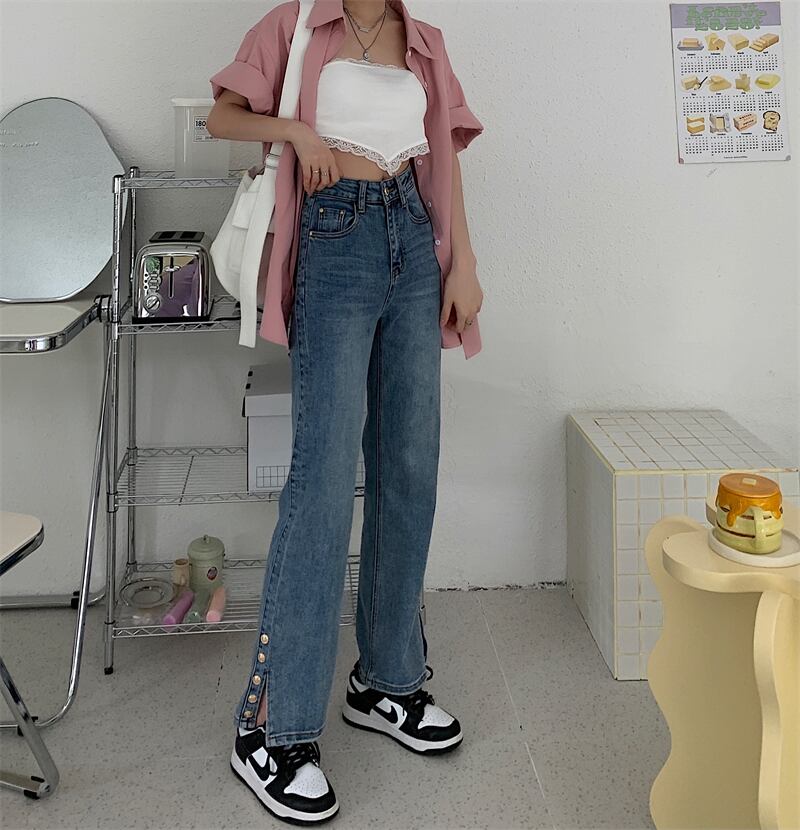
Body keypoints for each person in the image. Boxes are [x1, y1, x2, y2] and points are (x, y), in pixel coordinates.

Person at [207, 0, 484, 823]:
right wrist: (297, 133)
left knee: (409, 467)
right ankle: (273, 729)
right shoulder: (295, 25)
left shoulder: (424, 41)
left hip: (415, 241)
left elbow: (444, 155)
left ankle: (386, 681)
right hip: (334, 240)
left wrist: (464, 264)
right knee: (322, 483)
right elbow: (225, 116)